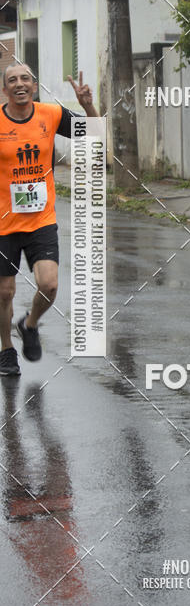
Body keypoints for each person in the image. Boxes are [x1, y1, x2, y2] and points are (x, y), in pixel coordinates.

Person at [0, 65, 99, 375]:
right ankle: (6, 350)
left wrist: (87, 106)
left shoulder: (51, 114)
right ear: (5, 90)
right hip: (3, 222)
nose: (19, 84)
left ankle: (29, 325)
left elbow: (94, 134)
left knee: (49, 284)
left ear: (34, 86)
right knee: (4, 292)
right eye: (12, 80)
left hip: (41, 218)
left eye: (25, 79)